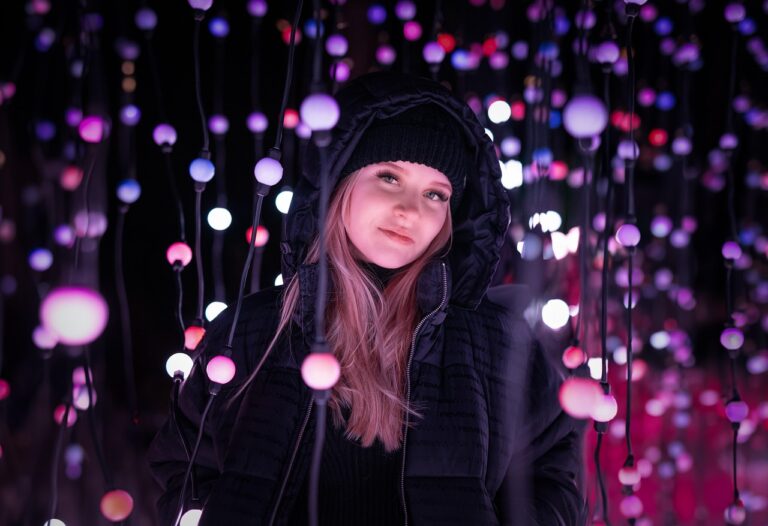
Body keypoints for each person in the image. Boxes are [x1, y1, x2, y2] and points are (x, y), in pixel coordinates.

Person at [148, 71, 586, 526]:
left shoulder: (495, 342)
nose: (410, 210)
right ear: (341, 184)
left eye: (436, 193)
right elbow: (183, 460)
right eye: (389, 176)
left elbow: (552, 465)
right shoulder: (251, 331)